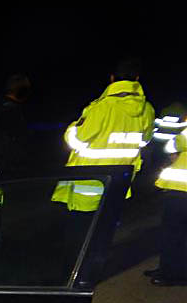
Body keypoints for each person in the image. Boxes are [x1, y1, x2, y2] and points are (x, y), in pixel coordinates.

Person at [50, 58, 155, 269]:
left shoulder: (100, 107)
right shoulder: (147, 110)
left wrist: (72, 126)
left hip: (88, 183)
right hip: (119, 182)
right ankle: (95, 269)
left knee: (78, 234)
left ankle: (74, 275)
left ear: (112, 79)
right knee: (105, 229)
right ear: (136, 79)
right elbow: (144, 140)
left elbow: (75, 140)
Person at [145, 129, 187, 285]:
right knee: (175, 232)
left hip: (182, 189)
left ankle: (172, 273)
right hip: (181, 188)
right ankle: (167, 268)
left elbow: (172, 144)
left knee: (174, 232)